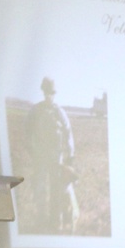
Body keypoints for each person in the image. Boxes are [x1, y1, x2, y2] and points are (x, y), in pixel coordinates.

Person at [26, 76, 78, 233]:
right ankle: (41, 220)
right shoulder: (35, 110)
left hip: (57, 158)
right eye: (47, 92)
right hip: (40, 157)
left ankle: (56, 221)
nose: (49, 95)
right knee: (40, 189)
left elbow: (68, 133)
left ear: (54, 94)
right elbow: (27, 131)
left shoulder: (59, 112)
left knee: (57, 190)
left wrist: (71, 154)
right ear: (43, 92)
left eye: (51, 93)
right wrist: (32, 149)